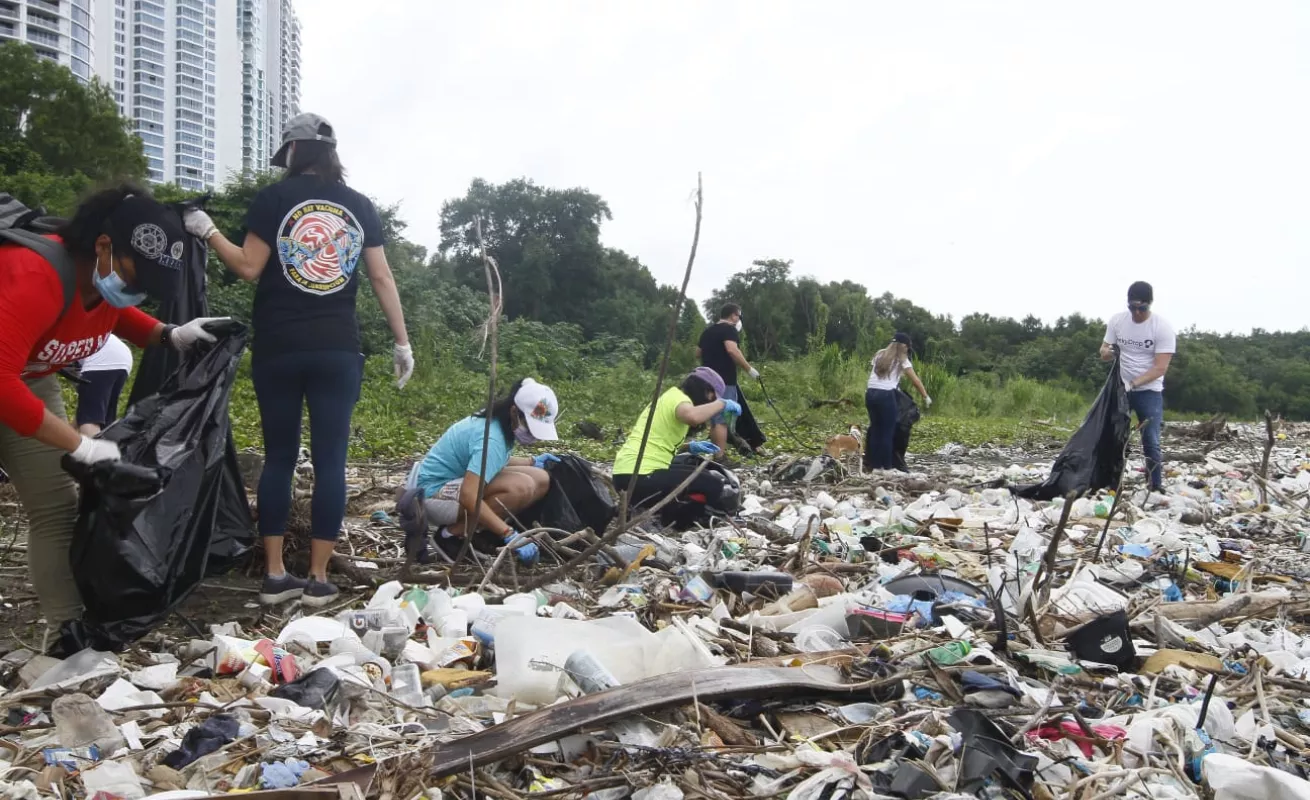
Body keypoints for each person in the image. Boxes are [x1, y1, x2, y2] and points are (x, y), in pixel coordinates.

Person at [183, 113, 414, 607]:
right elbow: (381, 278)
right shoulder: (359, 207)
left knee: (280, 459)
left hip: (280, 348)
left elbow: (248, 267)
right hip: (337, 349)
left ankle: (273, 575)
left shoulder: (273, 199)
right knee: (332, 463)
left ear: (294, 151)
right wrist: (402, 342)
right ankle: (318, 578)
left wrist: (207, 231)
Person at [0, 184, 221, 626]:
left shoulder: (100, 282)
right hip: (8, 380)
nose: (137, 292)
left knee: (56, 510)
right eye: (135, 279)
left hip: (28, 380)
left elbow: (111, 312)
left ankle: (66, 635)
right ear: (103, 245)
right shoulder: (33, 273)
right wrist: (80, 445)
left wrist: (169, 334)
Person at [396, 378, 560, 566]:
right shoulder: (493, 438)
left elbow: (490, 461)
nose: (533, 437)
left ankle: (481, 531)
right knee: (521, 487)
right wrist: (509, 534)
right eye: (530, 429)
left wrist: (531, 462)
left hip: (452, 482)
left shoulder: (500, 424)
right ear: (514, 411)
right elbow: (469, 495)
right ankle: (450, 536)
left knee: (540, 478)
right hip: (433, 493)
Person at [612, 366, 742, 510]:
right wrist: (722, 403)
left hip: (624, 475)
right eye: (712, 396)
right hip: (639, 475)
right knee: (712, 484)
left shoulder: (668, 398)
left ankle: (657, 511)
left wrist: (690, 447)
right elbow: (693, 417)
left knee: (691, 475)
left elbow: (660, 443)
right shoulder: (679, 398)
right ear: (705, 389)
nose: (711, 401)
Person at [1099, 281, 1175, 493]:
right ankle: (1110, 481)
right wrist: (1107, 353)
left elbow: (1160, 368)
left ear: (1149, 305)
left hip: (1148, 391)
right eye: (1132, 308)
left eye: (1142, 308)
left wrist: (1133, 384)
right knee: (1113, 434)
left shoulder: (1162, 328)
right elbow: (1104, 349)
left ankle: (1155, 485)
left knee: (1150, 438)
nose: (1137, 313)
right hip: (1120, 389)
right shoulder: (1117, 321)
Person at [696, 303, 759, 453]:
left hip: (707, 379)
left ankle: (716, 453)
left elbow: (698, 353)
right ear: (733, 315)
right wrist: (749, 369)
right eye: (739, 316)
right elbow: (732, 350)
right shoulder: (729, 329)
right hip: (724, 381)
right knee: (722, 420)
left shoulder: (707, 331)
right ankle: (720, 456)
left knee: (714, 418)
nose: (739, 320)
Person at [864, 332, 931, 471]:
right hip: (886, 396)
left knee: (876, 430)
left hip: (870, 394)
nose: (907, 350)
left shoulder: (879, 354)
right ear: (904, 346)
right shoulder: (902, 359)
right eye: (907, 347)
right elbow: (915, 380)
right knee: (888, 433)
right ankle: (887, 468)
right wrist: (925, 396)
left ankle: (875, 467)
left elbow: (878, 376)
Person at [74, 333, 132, 436]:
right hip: (122, 357)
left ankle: (98, 451)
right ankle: (112, 449)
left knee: (89, 421)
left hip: (101, 360)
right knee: (104, 419)